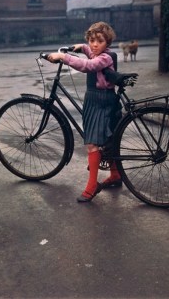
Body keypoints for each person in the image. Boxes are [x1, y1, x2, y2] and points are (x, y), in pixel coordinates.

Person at [47, 21, 122, 203]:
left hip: (101, 101)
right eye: (92, 40)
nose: (95, 45)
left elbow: (87, 66)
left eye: (100, 41)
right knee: (107, 139)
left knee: (92, 144)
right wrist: (74, 48)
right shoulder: (94, 51)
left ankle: (92, 186)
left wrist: (63, 57)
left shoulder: (105, 58)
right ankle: (115, 174)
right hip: (94, 100)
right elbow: (85, 49)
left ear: (108, 43)